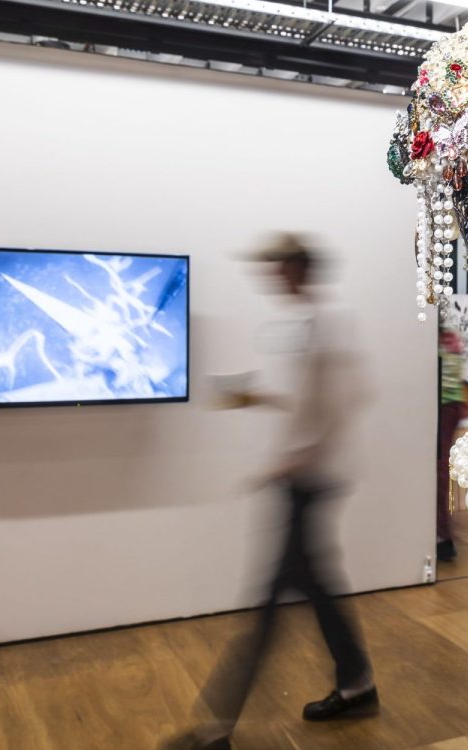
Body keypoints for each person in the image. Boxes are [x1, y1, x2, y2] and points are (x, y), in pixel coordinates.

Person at [162, 234, 376, 750]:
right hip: (305, 477)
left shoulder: (326, 325)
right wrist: (260, 396)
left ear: (295, 269)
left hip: (308, 481)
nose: (271, 277)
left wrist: (286, 464)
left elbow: (341, 404)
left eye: (276, 268)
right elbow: (315, 404)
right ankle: (358, 683)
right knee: (317, 590)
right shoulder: (313, 324)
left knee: (267, 606)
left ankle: (216, 727)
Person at [436, 320, 468, 562]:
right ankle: (441, 535)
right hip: (444, 408)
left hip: (444, 409)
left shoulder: (447, 339)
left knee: (438, 475)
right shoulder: (448, 339)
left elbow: (451, 383)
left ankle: (441, 536)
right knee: (437, 476)